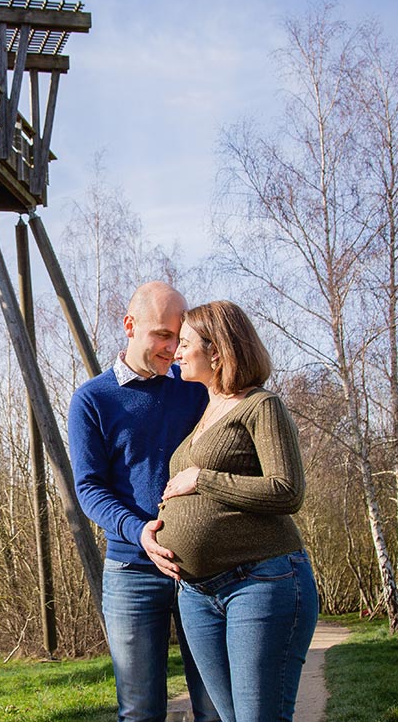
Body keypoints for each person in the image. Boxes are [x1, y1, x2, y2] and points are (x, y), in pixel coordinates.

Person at [157, 300, 318, 722]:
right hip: (196, 594)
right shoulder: (206, 412)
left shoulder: (260, 405)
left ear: (216, 349)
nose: (176, 353)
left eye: (185, 343)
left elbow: (287, 491)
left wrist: (201, 480)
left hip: (260, 581)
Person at [68, 281, 219, 722]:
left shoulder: (194, 389)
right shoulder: (92, 400)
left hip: (201, 568)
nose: (172, 348)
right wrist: (140, 532)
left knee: (214, 708)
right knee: (139, 712)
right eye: (162, 335)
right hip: (131, 572)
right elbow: (90, 490)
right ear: (130, 326)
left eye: (179, 336)